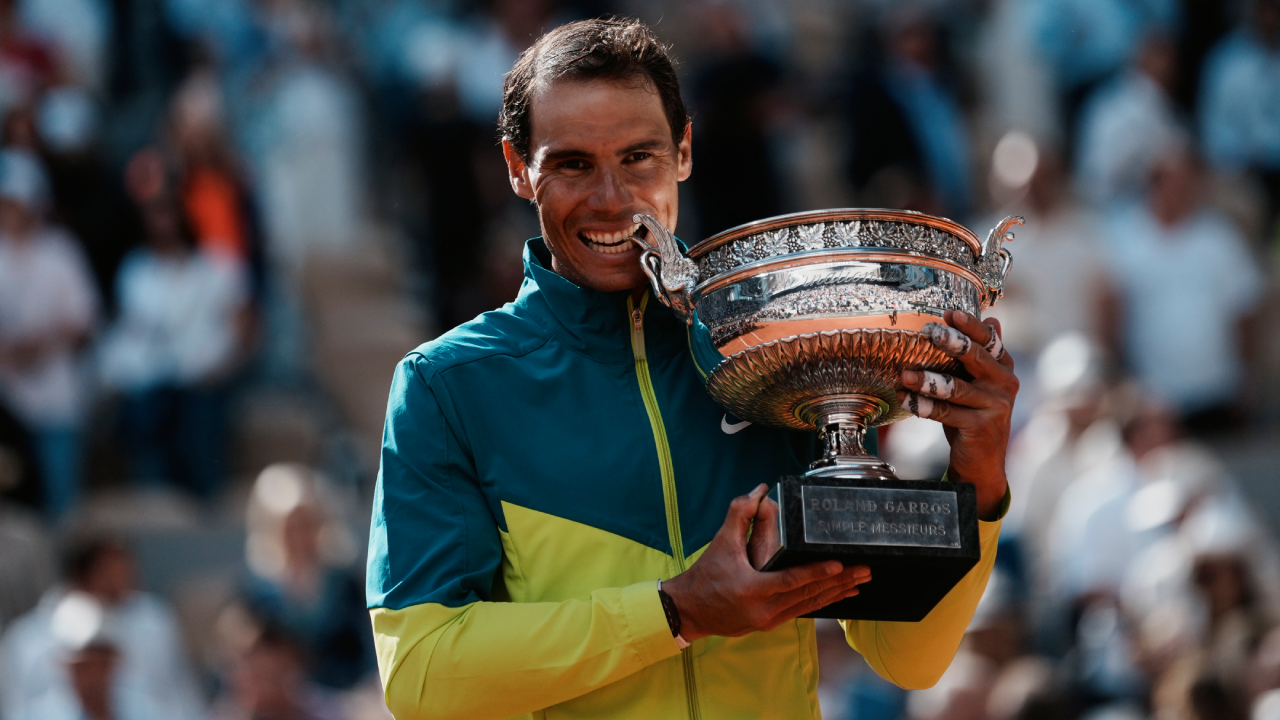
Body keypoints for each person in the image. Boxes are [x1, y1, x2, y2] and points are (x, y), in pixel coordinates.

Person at [367, 18, 1017, 719]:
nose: (612, 198)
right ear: (517, 168)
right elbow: (423, 676)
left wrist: (977, 480)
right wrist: (674, 613)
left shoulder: (777, 353)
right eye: (573, 163)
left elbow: (908, 659)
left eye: (639, 157)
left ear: (683, 150)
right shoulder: (448, 385)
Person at [0, 148, 97, 520]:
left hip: (54, 400)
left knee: (62, 511)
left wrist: (38, 344)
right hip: (6, 403)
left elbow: (84, 325)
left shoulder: (61, 252)